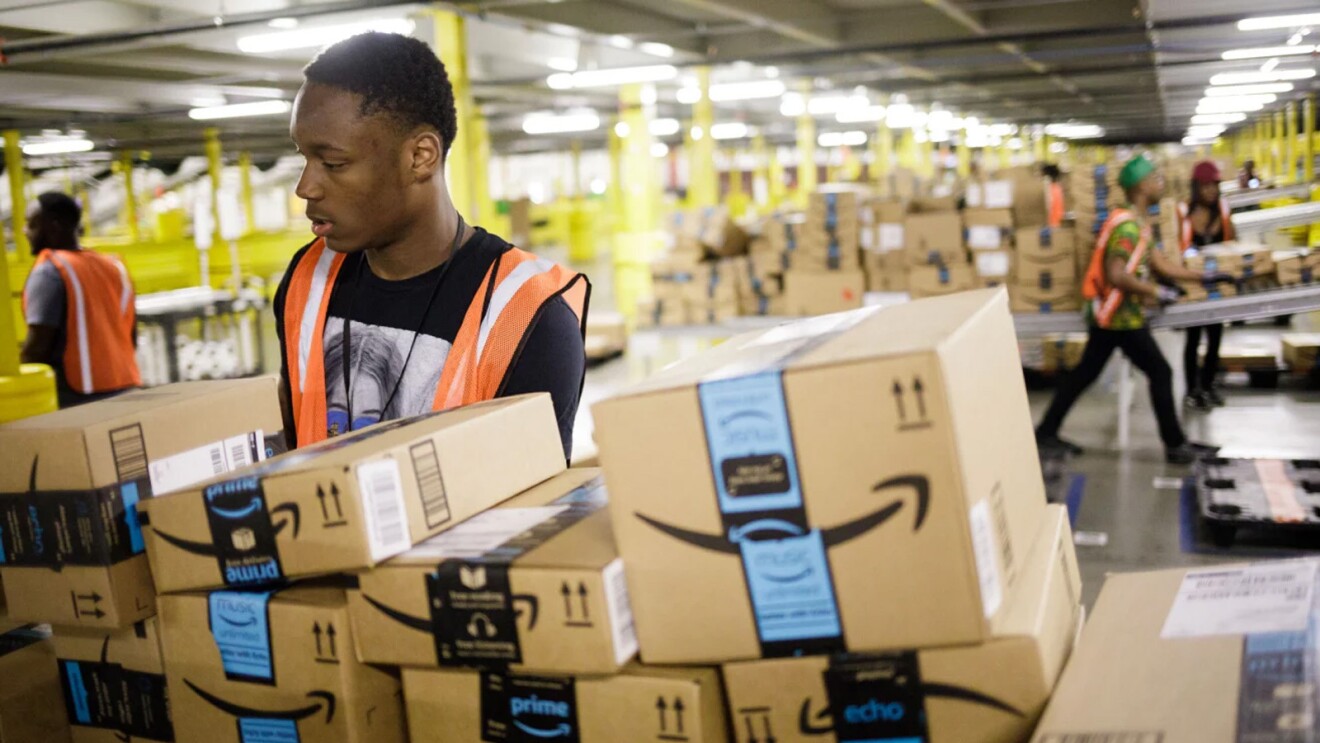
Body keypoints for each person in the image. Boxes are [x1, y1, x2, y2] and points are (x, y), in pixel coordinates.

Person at [274, 32, 589, 459]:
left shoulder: (527, 318)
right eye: (303, 159)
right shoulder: (306, 282)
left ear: (420, 157)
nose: (306, 187)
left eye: (333, 164)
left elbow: (531, 510)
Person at [1035, 153, 1230, 464]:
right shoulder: (1126, 228)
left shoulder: (1138, 223)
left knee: (1086, 373)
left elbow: (1161, 264)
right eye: (1155, 178)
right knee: (1160, 371)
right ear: (1141, 187)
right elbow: (1116, 274)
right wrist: (1155, 290)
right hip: (1118, 317)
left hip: (1116, 316)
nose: (1160, 183)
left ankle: (1046, 431)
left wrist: (1206, 276)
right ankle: (1175, 445)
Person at [21, 191, 140, 408]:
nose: (25, 231)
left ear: (54, 225)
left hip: (77, 398)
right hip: (126, 388)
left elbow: (38, 347)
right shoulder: (114, 267)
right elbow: (131, 335)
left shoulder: (50, 270)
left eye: (32, 224)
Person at [1177, 160, 1234, 411]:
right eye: (1205, 186)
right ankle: (1192, 390)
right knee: (1192, 339)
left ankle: (1208, 386)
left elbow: (1233, 244)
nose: (1210, 191)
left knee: (1215, 337)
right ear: (1196, 187)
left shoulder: (1222, 211)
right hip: (1194, 285)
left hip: (1217, 287)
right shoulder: (1183, 213)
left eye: (1214, 186)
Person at [1043, 164, 1065, 228]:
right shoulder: (1055, 186)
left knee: (1053, 207)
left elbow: (1050, 202)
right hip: (1054, 192)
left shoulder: (1051, 185)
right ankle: (1055, 222)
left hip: (1053, 194)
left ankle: (1055, 222)